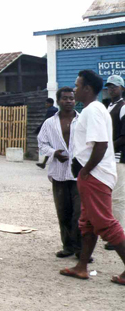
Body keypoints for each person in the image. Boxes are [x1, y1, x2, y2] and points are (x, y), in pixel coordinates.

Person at [59, 70, 125, 286]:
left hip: (96, 176)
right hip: (93, 174)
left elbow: (102, 144)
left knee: (105, 224)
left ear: (87, 88)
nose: (74, 89)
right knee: (87, 223)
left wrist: (86, 171)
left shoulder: (93, 110)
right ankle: (82, 267)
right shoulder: (93, 109)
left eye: (77, 86)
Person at [37, 87, 82, 258]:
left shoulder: (82, 120)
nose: (69, 101)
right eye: (65, 98)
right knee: (63, 212)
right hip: (58, 173)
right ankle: (68, 247)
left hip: (79, 174)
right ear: (58, 101)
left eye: (71, 98)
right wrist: (54, 152)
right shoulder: (50, 123)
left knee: (80, 213)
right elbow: (42, 143)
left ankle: (81, 249)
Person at [105, 75, 125, 251]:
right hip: (110, 157)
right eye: (109, 87)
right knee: (110, 197)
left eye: (115, 87)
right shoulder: (109, 106)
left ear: (122, 88)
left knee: (118, 197)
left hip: (120, 158)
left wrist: (109, 148)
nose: (112, 89)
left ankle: (119, 237)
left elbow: (124, 136)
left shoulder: (123, 107)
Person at [36, 98, 59, 169]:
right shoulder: (56, 110)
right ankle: (44, 163)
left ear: (50, 103)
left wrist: (38, 128)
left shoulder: (50, 110)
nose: (46, 105)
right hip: (56, 130)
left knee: (50, 146)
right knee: (52, 146)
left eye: (47, 103)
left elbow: (46, 121)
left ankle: (44, 163)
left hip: (51, 131)